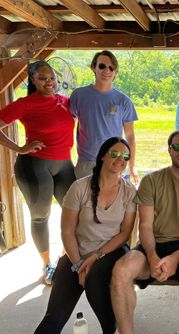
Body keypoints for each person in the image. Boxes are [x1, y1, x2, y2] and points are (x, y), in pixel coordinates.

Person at [111, 130, 179, 334]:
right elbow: (146, 226)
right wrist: (152, 257)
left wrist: (177, 257)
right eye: (177, 147)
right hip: (153, 245)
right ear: (169, 150)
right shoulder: (151, 181)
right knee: (121, 270)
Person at [35, 137, 137, 334]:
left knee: (94, 280)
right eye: (115, 154)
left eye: (126, 156)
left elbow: (125, 233)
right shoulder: (79, 187)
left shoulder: (129, 191)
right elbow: (67, 231)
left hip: (112, 251)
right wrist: (77, 265)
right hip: (77, 252)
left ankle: (111, 328)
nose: (120, 159)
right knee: (53, 319)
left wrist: (95, 257)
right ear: (102, 157)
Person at [0, 60, 75, 285]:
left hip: (64, 164)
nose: (49, 82)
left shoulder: (65, 102)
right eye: (42, 78)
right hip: (34, 165)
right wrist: (18, 148)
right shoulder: (25, 104)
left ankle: (65, 261)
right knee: (41, 216)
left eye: (52, 77)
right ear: (32, 80)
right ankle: (47, 265)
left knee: (75, 214)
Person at [70, 50, 139, 182]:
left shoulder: (123, 100)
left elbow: (130, 136)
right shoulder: (79, 95)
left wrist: (132, 166)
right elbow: (68, 127)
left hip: (115, 161)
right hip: (86, 162)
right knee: (85, 202)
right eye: (102, 66)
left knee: (112, 202)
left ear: (116, 72)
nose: (106, 70)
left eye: (111, 68)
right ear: (93, 68)